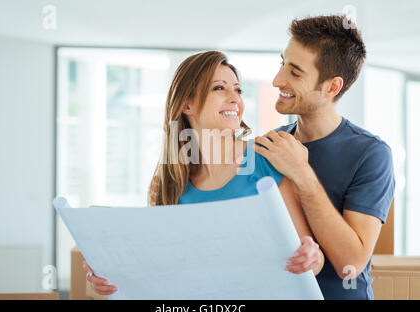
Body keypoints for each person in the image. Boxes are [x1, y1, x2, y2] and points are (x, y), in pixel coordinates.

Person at [83, 51, 324, 296]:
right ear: (187, 104)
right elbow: (158, 264)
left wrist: (312, 258)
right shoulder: (167, 182)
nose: (235, 99)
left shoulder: (268, 159)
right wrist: (110, 272)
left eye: (238, 90)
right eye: (220, 88)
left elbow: (311, 259)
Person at [254, 15, 395, 300]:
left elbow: (350, 265)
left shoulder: (371, 154)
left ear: (331, 87)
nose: (277, 80)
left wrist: (302, 174)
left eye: (295, 72)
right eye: (282, 64)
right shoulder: (271, 144)